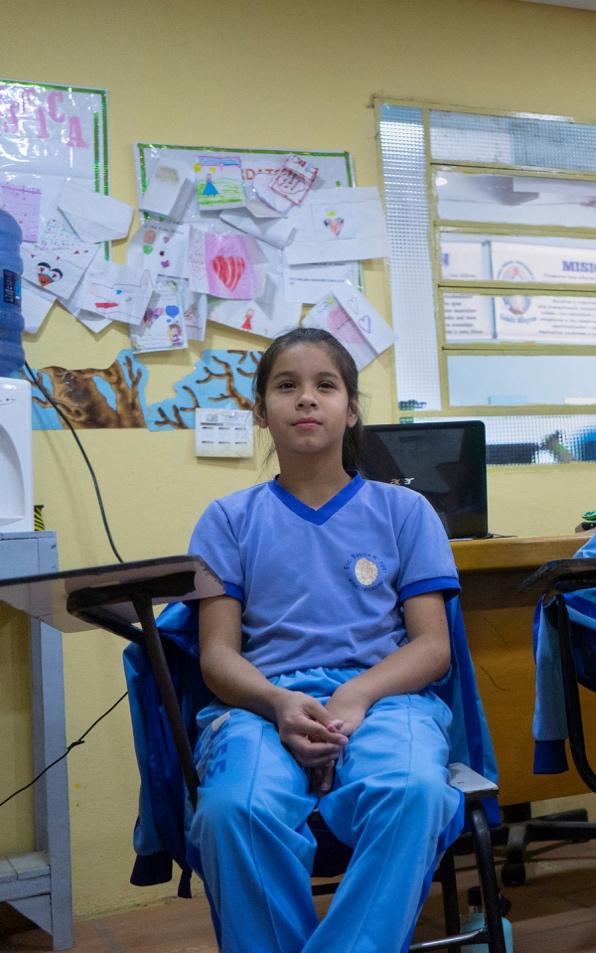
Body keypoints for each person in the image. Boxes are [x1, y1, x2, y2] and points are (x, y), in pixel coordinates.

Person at [187, 328, 465, 953]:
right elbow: (217, 655)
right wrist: (280, 705)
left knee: (415, 793)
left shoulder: (406, 513)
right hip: (262, 705)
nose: (306, 399)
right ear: (260, 411)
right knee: (233, 812)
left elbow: (431, 647)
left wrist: (357, 695)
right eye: (286, 386)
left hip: (384, 700)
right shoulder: (227, 520)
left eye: (325, 386)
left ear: (352, 407)